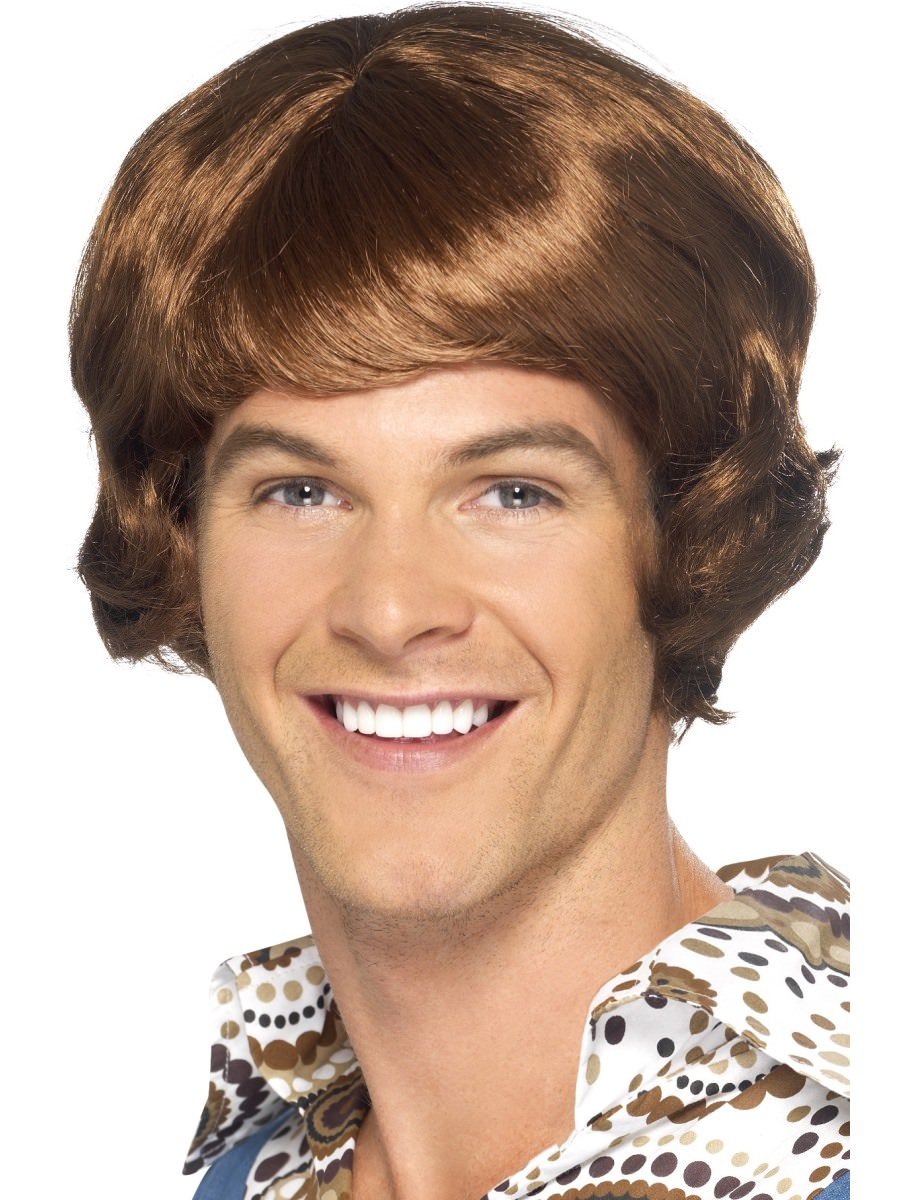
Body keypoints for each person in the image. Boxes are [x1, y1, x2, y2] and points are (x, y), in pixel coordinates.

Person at [69, 4, 850, 1198]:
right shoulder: (249, 1166)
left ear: (693, 531)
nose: (389, 612)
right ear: (185, 543)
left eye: (514, 492)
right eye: (300, 492)